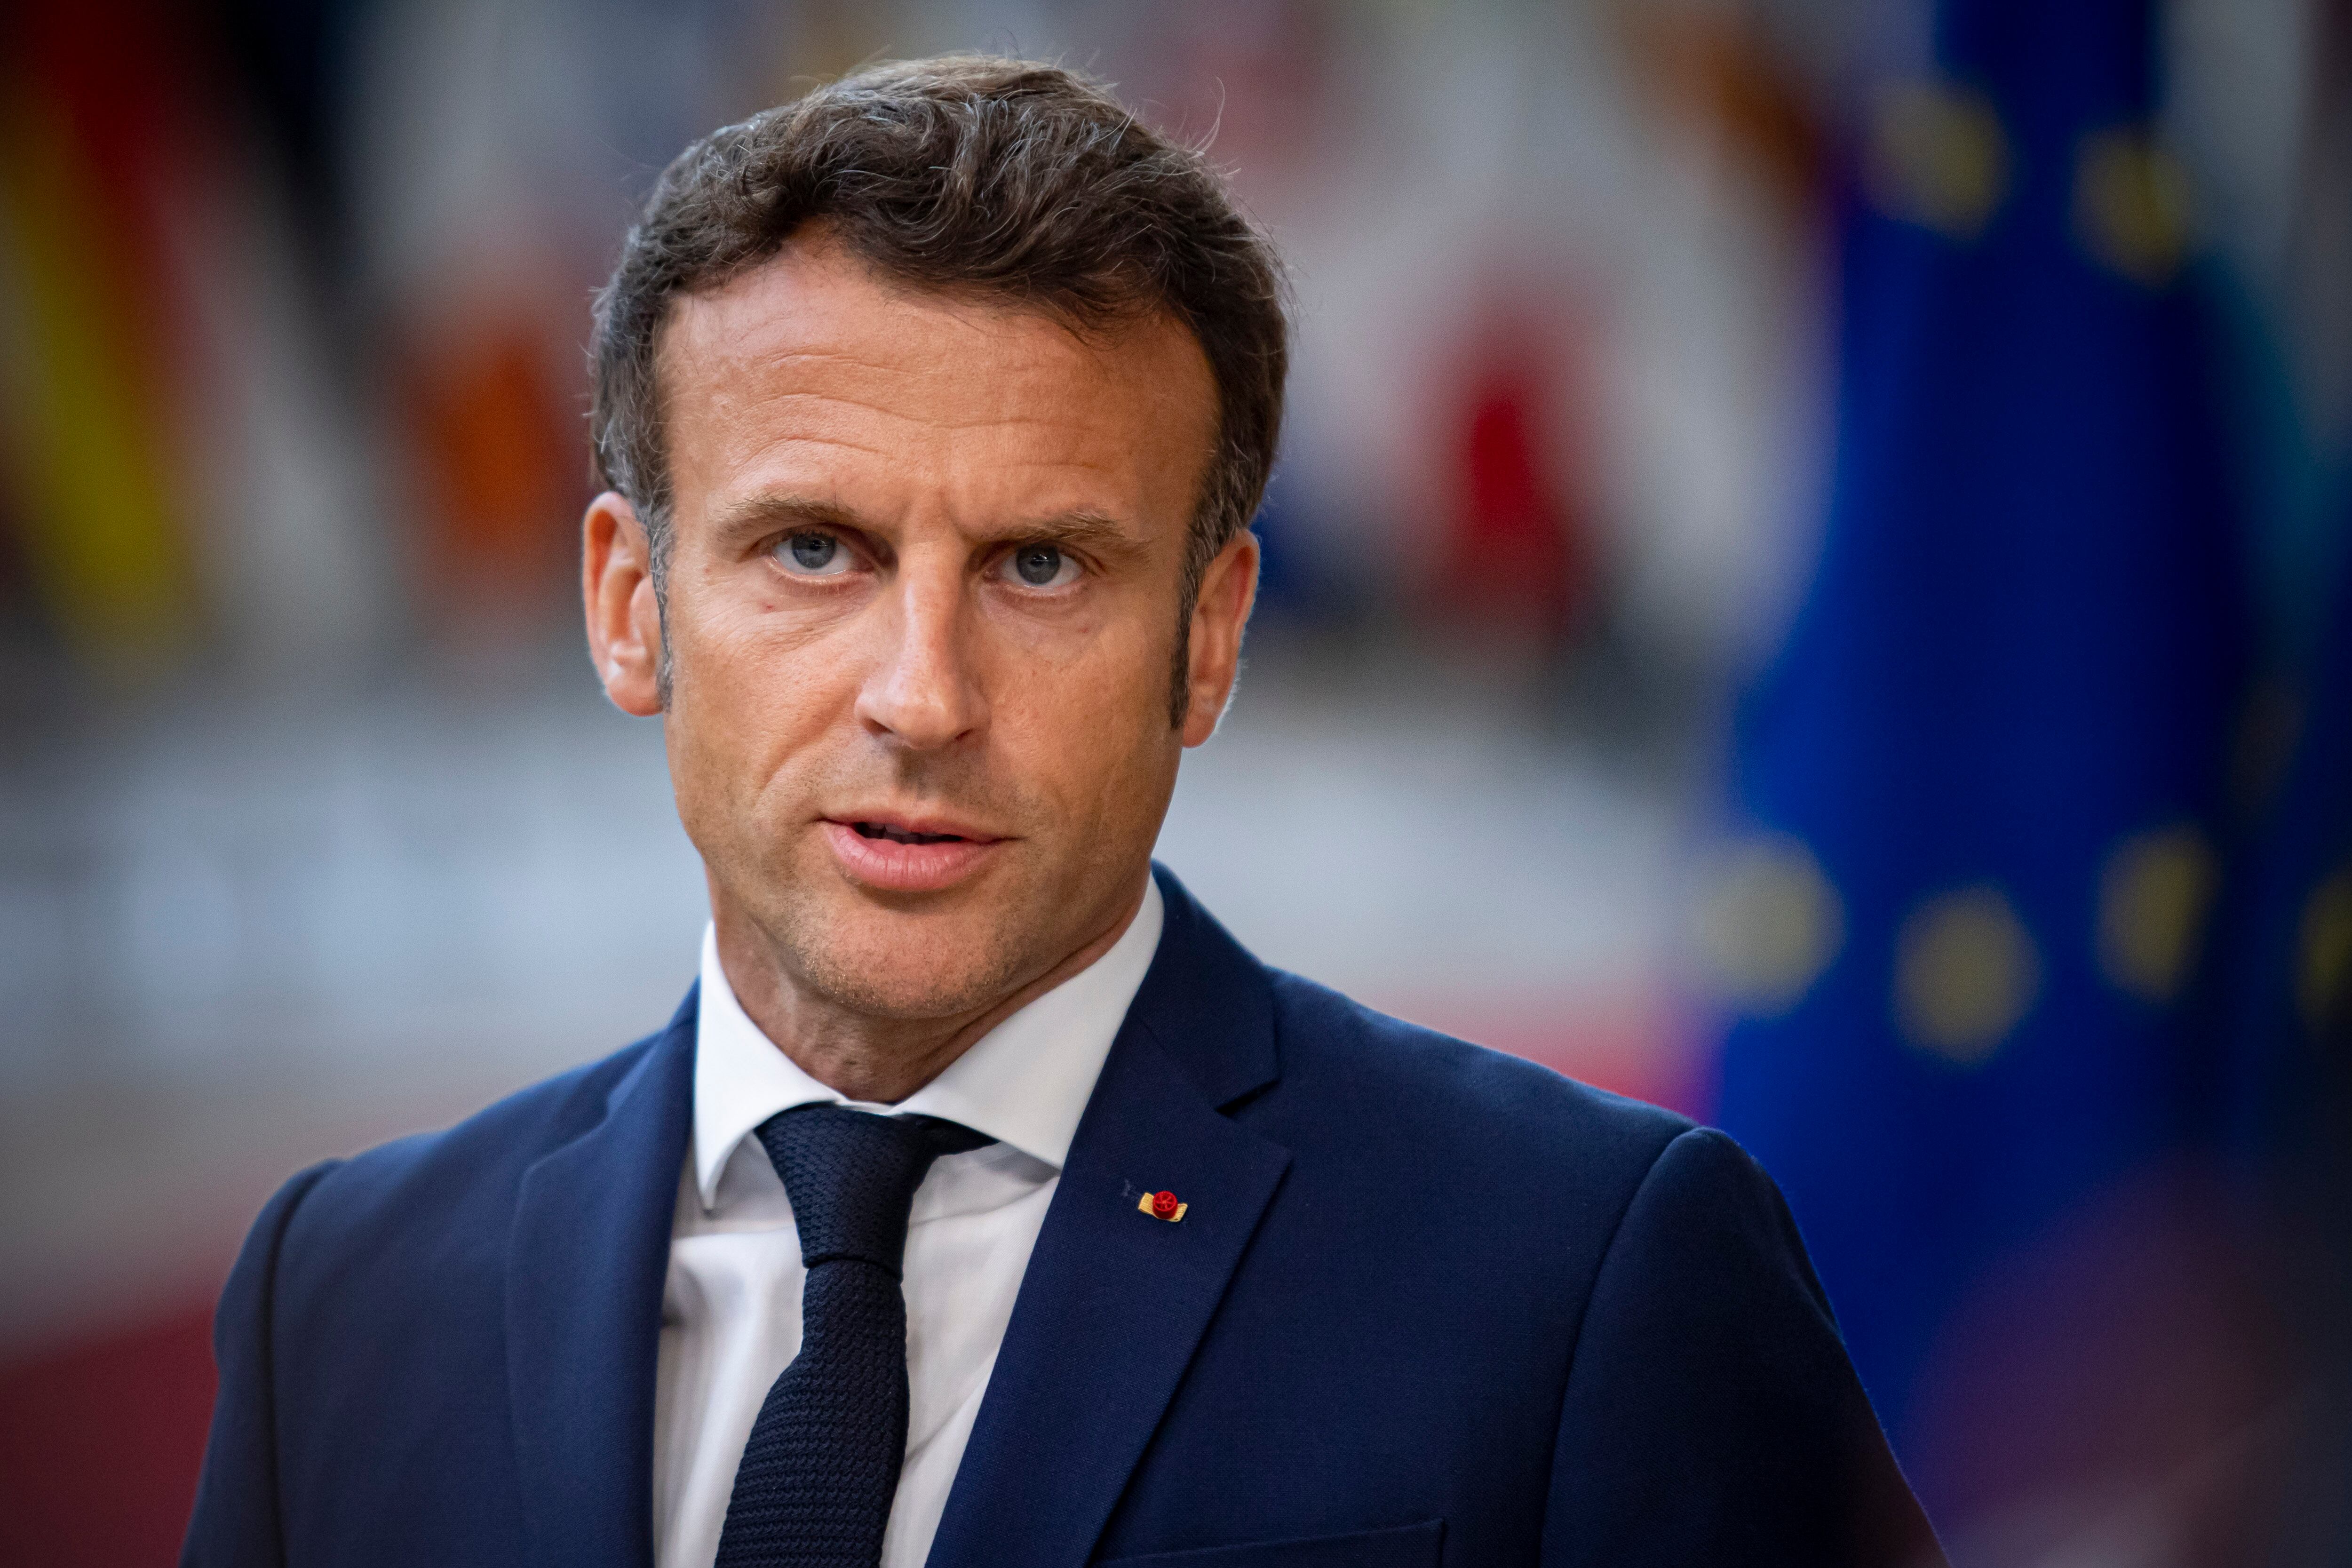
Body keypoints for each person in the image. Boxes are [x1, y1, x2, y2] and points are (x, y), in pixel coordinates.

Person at [182, 55, 1942, 1568]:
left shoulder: (1590, 1274)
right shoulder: (340, 1299)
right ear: (631, 604)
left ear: (1210, 633)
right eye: (816, 550)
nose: (925, 694)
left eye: (1040, 565)